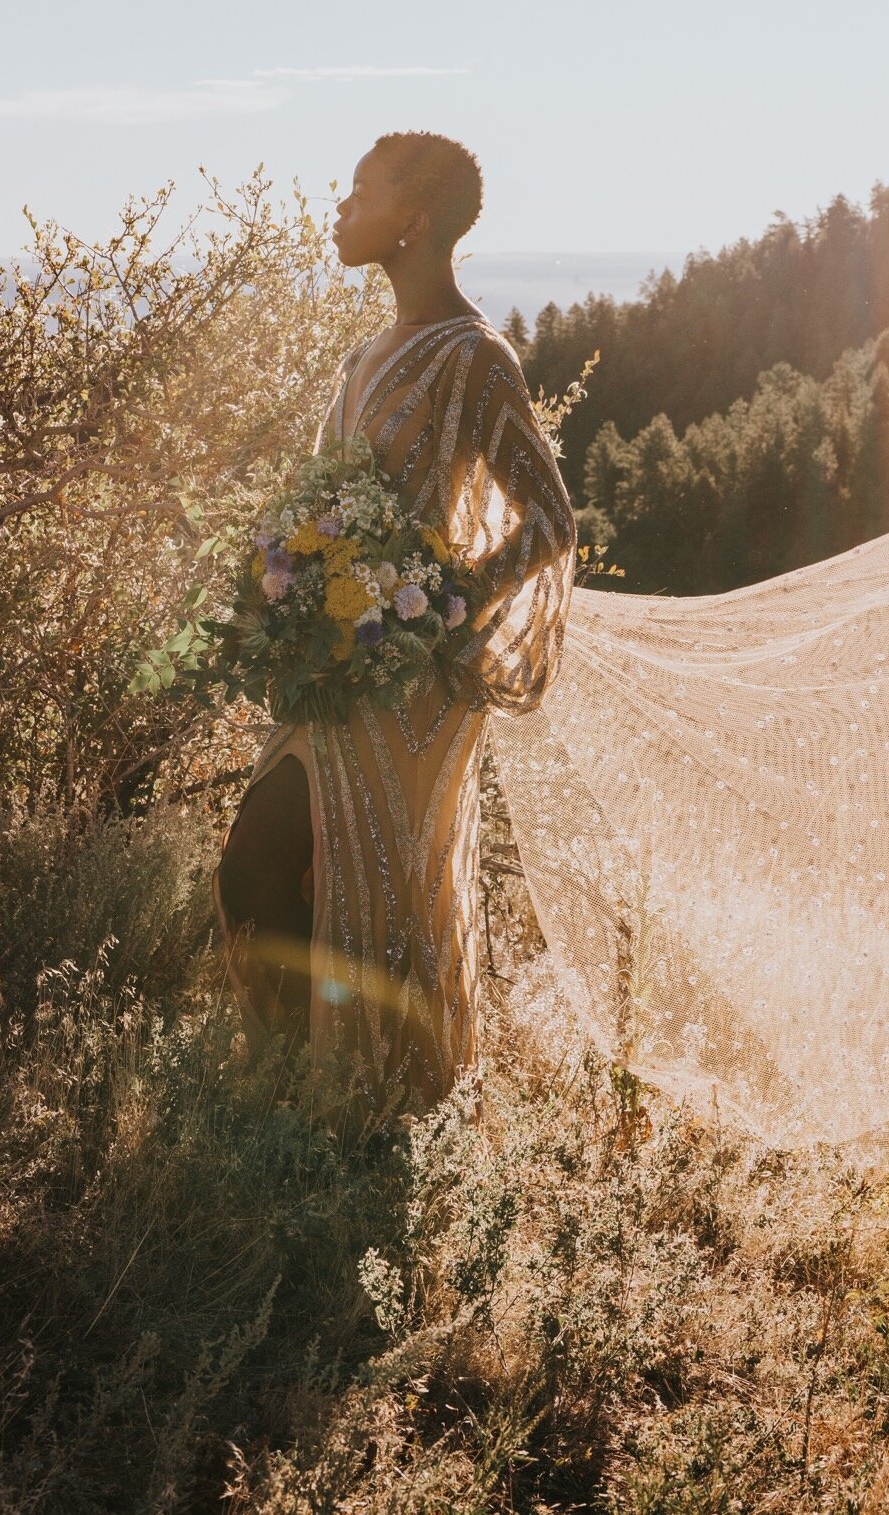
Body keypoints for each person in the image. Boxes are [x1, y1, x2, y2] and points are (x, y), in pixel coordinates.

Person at [214, 131, 576, 1111]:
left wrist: (436, 613)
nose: (341, 205)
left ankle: (376, 1119)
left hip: (410, 688)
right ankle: (306, 1095)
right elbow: (327, 502)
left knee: (370, 898)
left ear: (411, 221)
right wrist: (276, 580)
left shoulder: (474, 358)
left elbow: (547, 520)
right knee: (257, 873)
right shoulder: (367, 353)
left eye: (361, 191)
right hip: (331, 670)